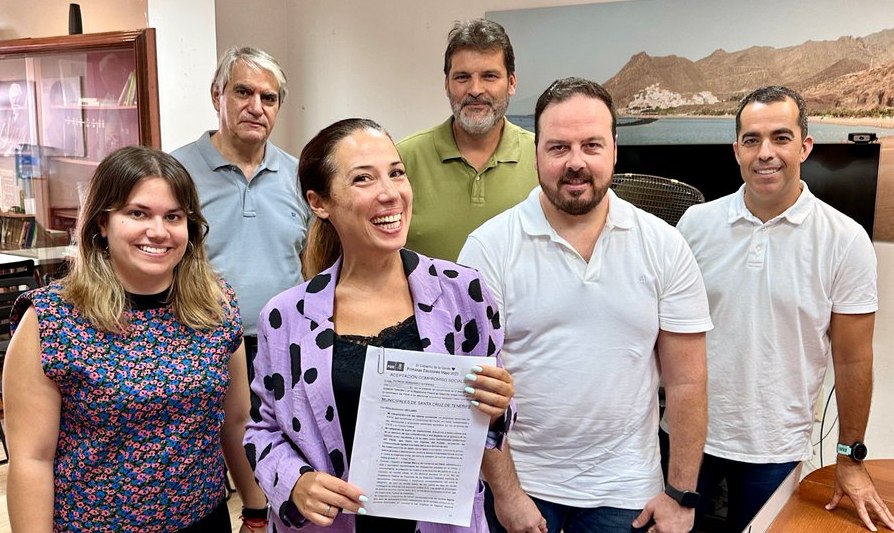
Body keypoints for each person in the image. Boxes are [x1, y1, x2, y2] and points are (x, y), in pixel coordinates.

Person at [458, 77, 712, 533]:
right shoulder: (489, 248)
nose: (575, 162)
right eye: (558, 147)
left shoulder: (664, 245)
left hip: (626, 489)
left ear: (614, 150)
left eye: (591, 145)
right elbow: (474, 388)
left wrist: (680, 494)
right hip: (523, 483)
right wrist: (507, 493)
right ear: (536, 154)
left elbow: (687, 382)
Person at [244, 118, 515, 533]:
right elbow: (261, 430)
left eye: (396, 173)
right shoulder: (286, 318)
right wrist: (296, 483)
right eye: (363, 179)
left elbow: (491, 422)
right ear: (319, 202)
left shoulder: (463, 293)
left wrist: (497, 409)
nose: (390, 193)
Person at [2, 146, 268, 532]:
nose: (158, 231)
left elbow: (237, 420)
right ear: (102, 222)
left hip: (203, 519)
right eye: (138, 213)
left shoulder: (216, 306)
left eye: (173, 216)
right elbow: (31, 461)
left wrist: (257, 510)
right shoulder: (50, 319)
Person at [671, 85, 894, 533]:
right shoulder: (695, 225)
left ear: (805, 147)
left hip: (776, 449)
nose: (765, 153)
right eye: (751, 140)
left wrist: (850, 458)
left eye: (781, 137)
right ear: (736, 150)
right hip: (686, 437)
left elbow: (853, 360)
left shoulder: (845, 240)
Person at [172, 46, 311, 357]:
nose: (256, 108)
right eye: (243, 92)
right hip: (200, 344)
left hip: (287, 343)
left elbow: (313, 261)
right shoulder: (173, 173)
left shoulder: (300, 175)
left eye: (268, 98)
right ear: (216, 96)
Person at [397, 19, 538, 261]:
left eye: (489, 76)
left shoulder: (542, 157)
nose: (475, 89)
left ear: (511, 83)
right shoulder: (403, 160)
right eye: (462, 77)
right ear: (447, 85)